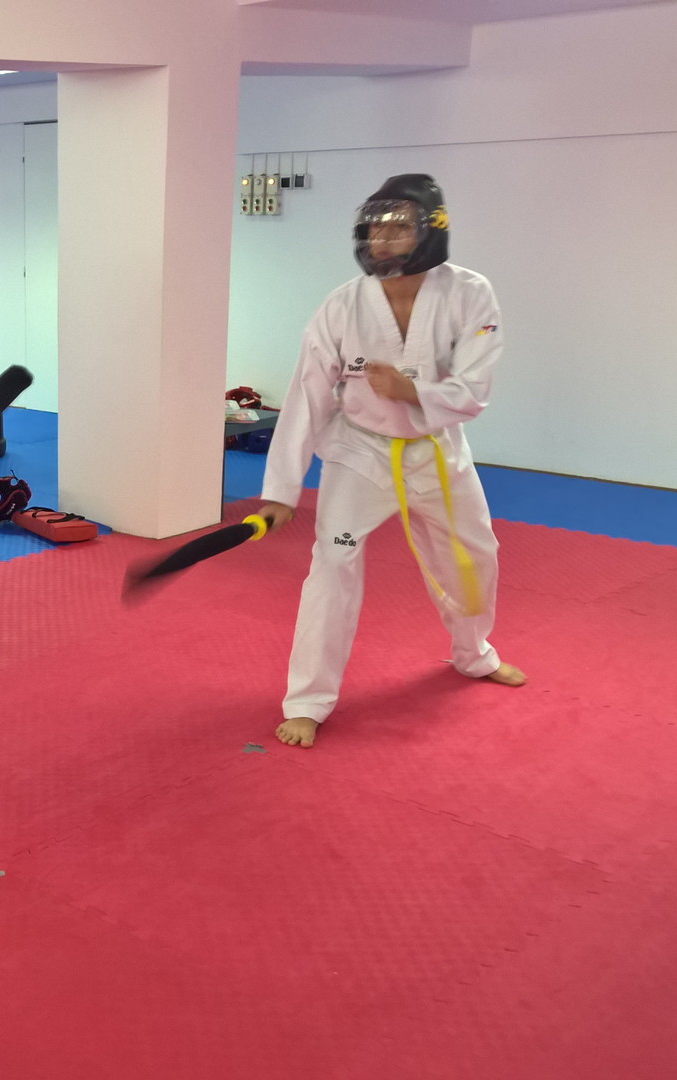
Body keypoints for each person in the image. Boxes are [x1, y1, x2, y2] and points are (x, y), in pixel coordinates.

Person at [255, 174, 526, 749]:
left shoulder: (470, 293)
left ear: (431, 230)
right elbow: (307, 395)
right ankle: (307, 700)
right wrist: (281, 489)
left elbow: (475, 388)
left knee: (477, 555)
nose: (381, 239)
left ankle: (473, 653)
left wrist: (411, 391)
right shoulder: (341, 305)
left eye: (398, 227)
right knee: (332, 563)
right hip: (361, 451)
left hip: (437, 452)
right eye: (374, 229)